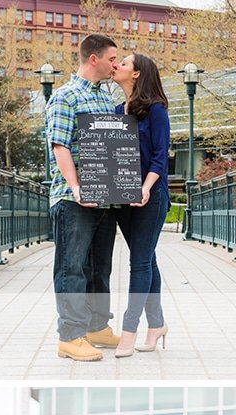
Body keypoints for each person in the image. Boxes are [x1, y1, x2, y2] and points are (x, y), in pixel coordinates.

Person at [46, 34, 122, 362]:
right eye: (112, 59)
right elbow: (60, 146)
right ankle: (71, 336)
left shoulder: (107, 100)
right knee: (71, 267)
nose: (116, 64)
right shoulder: (65, 97)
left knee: (99, 268)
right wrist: (77, 187)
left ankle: (96, 327)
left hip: (105, 198)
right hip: (72, 199)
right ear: (94, 58)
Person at [110, 53, 171, 357]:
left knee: (139, 263)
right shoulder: (115, 111)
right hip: (121, 198)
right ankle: (157, 324)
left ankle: (128, 331)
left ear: (136, 74)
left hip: (150, 196)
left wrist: (145, 188)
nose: (116, 65)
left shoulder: (156, 111)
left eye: (123, 62)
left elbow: (160, 156)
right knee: (146, 258)